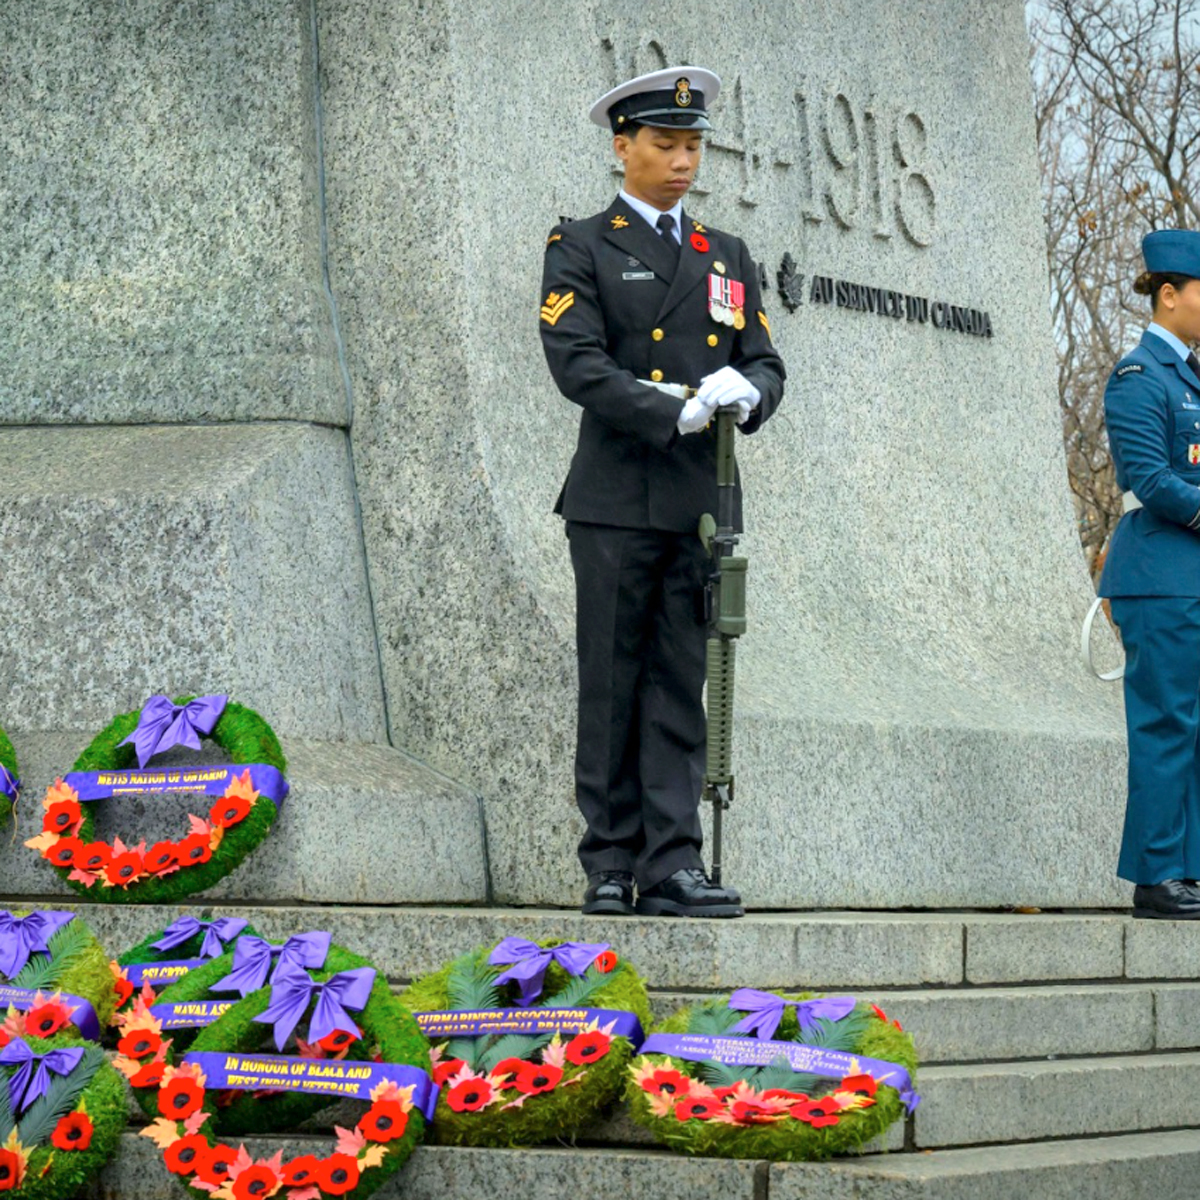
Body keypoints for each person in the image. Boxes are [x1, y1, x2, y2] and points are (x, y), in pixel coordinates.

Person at [538, 66, 785, 918]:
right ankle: (609, 861)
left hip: (697, 501)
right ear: (623, 148)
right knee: (612, 679)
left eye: (692, 146)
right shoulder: (581, 244)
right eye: (665, 145)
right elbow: (577, 363)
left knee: (682, 680)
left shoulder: (727, 254)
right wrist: (670, 408)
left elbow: (764, 360)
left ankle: (672, 861)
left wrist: (749, 394)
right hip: (613, 497)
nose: (682, 161)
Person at [1100, 229, 1200, 919]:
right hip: (1160, 575)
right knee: (1167, 723)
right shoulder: (1139, 376)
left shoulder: (1190, 376)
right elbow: (1150, 477)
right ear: (1169, 296)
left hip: (1188, 574)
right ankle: (1158, 873)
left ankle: (1188, 868)